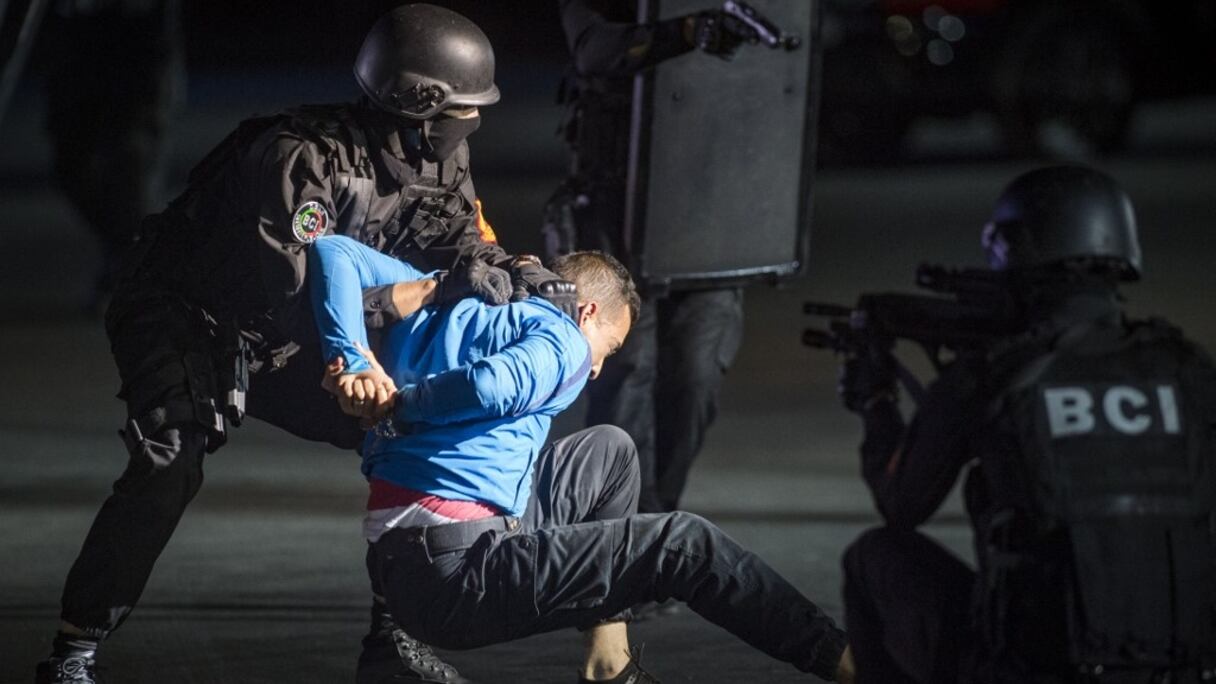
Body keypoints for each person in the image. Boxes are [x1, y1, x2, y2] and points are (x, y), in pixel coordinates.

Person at [34, 5, 576, 684]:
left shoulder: (437, 157)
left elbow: (463, 237)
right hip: (186, 312)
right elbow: (300, 298)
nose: (473, 121)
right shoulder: (301, 158)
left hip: (292, 334)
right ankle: (72, 652)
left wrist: (522, 272)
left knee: (415, 427)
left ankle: (391, 640)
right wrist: (421, 296)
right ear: (420, 102)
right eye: (464, 107)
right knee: (170, 461)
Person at [308, 234, 855, 684]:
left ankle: (607, 660)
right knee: (684, 542)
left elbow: (332, 251)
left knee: (610, 450)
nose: (596, 369)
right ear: (587, 310)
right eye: (609, 348)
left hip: (405, 559)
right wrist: (401, 408)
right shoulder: (563, 337)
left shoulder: (443, 295)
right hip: (454, 576)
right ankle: (848, 662)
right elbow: (491, 386)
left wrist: (353, 357)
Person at [836, 165, 1216, 683]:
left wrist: (876, 401)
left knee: (874, 558)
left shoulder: (994, 375)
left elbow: (900, 505)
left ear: (1016, 254)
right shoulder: (1188, 369)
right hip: (1186, 671)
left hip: (1033, 671)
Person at [545, 0, 756, 514]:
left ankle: (654, 524)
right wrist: (684, 32)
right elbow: (595, 49)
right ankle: (621, 532)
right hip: (621, 213)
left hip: (710, 211)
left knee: (697, 375)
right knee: (626, 370)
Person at [42, 0, 184, 308]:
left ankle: (142, 281)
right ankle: (125, 256)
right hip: (78, 50)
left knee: (131, 169)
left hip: (140, 49)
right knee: (71, 167)